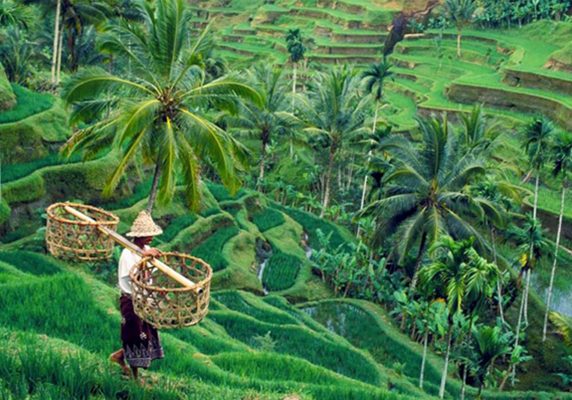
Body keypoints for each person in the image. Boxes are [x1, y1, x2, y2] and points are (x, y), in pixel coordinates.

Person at [109, 210, 164, 382]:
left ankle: (118, 356)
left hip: (144, 301)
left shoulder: (146, 250)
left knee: (145, 335)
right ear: (139, 237)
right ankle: (134, 377)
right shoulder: (128, 254)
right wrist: (143, 260)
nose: (151, 238)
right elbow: (133, 277)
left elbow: (150, 275)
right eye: (148, 235)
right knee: (133, 335)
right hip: (131, 301)